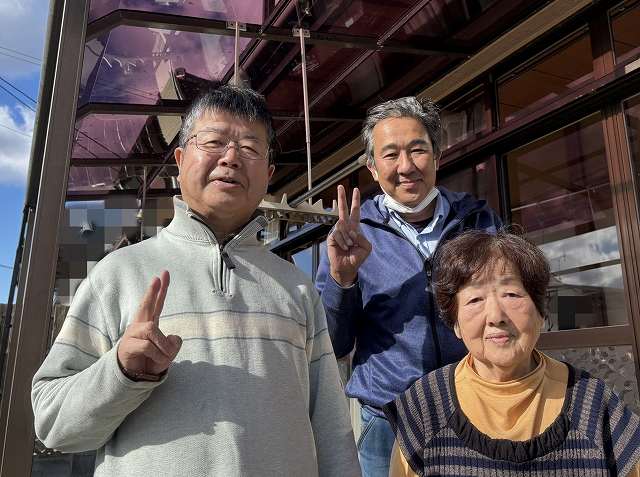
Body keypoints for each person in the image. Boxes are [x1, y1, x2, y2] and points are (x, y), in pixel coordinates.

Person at [31, 85, 361, 477]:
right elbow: (53, 424)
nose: (231, 158)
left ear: (268, 173)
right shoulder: (117, 274)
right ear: (181, 158)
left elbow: (331, 429)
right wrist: (121, 371)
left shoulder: (296, 287)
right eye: (214, 141)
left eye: (251, 148)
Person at [314, 96, 502, 477]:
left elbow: (512, 306)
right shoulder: (352, 235)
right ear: (371, 166)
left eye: (417, 150)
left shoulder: (479, 221)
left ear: (437, 156)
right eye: (390, 154)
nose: (405, 167)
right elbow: (333, 343)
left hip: (472, 408)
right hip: (387, 419)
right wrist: (342, 279)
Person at [385, 230, 640, 476]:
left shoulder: (595, 403)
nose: (496, 316)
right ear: (456, 324)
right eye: (475, 300)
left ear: (541, 313)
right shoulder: (425, 406)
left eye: (511, 294)